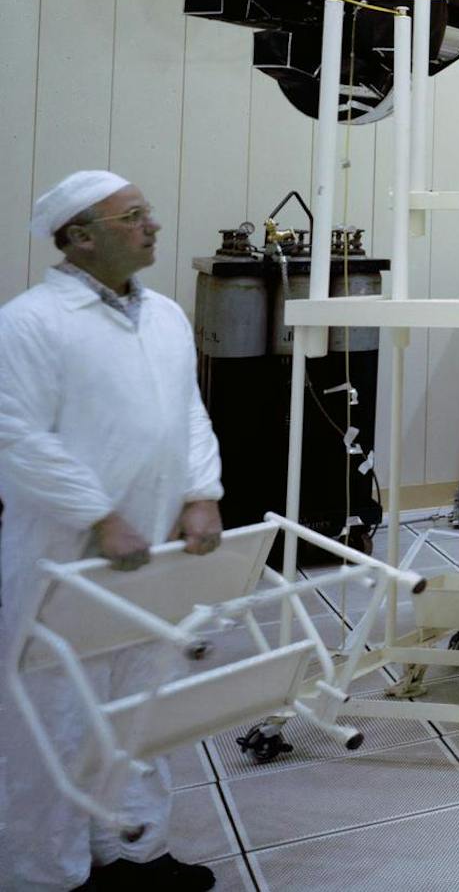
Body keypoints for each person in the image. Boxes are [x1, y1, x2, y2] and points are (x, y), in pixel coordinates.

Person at [0, 173, 224, 891]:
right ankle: (47, 874)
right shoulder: (31, 322)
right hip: (63, 553)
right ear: (79, 236)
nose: (152, 226)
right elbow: (17, 435)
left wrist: (201, 493)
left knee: (139, 705)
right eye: (133, 217)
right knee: (55, 719)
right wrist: (97, 514)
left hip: (153, 550)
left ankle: (134, 852)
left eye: (148, 213)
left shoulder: (163, 315)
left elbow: (187, 411)